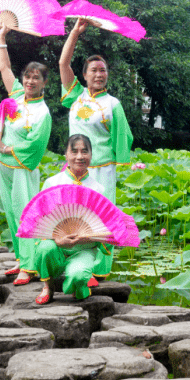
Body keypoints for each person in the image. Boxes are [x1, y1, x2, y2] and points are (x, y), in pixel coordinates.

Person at [57, 18, 133, 282]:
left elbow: (123, 139)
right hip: (74, 168)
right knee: (74, 215)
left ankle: (100, 269)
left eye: (103, 70)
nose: (99, 74)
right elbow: (63, 64)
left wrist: (121, 165)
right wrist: (75, 33)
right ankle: (79, 262)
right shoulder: (75, 96)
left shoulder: (113, 104)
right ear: (85, 74)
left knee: (103, 217)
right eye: (94, 70)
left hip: (101, 169)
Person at [0, 25, 53, 284]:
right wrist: (1, 38)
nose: (30, 81)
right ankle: (21, 259)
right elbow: (4, 69)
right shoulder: (16, 96)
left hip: (21, 167)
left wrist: (6, 148)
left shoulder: (43, 113)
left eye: (36, 78)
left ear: (44, 83)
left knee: (25, 213)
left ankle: (29, 267)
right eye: (27, 76)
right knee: (10, 211)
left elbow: (34, 147)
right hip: (2, 165)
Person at [28, 135, 107, 304]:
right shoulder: (52, 183)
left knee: (78, 277)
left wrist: (87, 237)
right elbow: (40, 222)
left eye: (84, 152)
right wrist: (57, 239)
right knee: (44, 249)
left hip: (84, 249)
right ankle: (48, 287)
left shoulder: (99, 189)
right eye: (74, 151)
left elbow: (107, 228)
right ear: (66, 155)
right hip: (56, 245)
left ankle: (79, 283)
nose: (80, 156)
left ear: (91, 155)